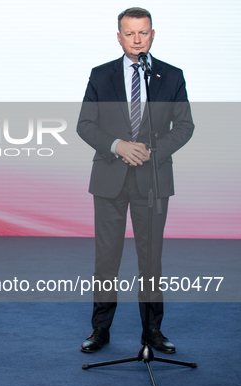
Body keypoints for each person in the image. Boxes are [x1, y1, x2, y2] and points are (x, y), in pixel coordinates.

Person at [76, 7, 194, 353]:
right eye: (130, 33)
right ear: (119, 37)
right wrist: (118, 146)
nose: (137, 39)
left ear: (153, 35)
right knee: (106, 258)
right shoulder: (101, 75)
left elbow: (185, 126)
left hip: (153, 180)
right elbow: (85, 124)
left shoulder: (171, 76)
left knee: (151, 259)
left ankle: (152, 331)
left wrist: (150, 150)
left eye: (143, 33)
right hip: (110, 179)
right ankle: (100, 329)